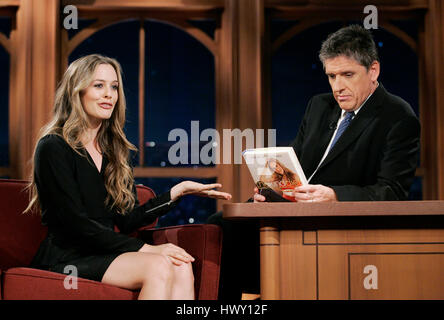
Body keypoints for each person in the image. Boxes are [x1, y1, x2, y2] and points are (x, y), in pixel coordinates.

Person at [208, 24, 420, 299]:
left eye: (347, 75)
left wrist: (334, 196)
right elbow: (298, 165)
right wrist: (272, 189)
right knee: (220, 224)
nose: (337, 87)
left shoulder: (398, 117)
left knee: (239, 238)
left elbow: (392, 192)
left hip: (341, 221)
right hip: (295, 209)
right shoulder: (319, 106)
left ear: (373, 71)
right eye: (331, 76)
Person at [25, 54, 232, 300]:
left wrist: (178, 192)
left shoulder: (115, 151)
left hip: (104, 252)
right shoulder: (53, 146)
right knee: (158, 265)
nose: (109, 94)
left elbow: (127, 220)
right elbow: (74, 225)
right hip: (67, 256)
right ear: (77, 92)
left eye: (114, 87)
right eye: (98, 85)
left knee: (181, 266)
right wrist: (146, 249)